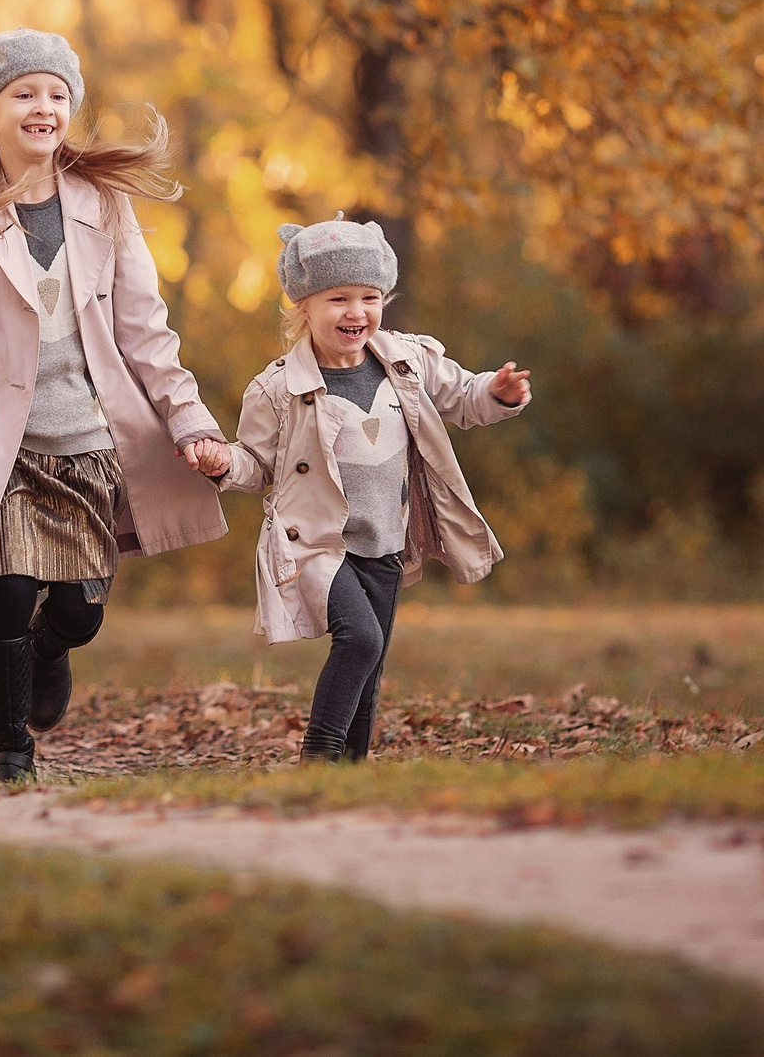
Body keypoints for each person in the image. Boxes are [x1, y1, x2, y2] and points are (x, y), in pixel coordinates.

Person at [0, 29, 233, 782]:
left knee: (79, 610)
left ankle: (50, 649)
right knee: (9, 589)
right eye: (25, 93)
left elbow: (146, 331)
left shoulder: (102, 207)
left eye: (56, 93)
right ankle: (10, 748)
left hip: (88, 441)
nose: (44, 107)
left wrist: (192, 422)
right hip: (3, 448)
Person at [214, 216, 532, 763]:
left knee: (372, 661)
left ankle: (349, 773)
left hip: (386, 540)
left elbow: (463, 399)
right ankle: (319, 754)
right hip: (316, 542)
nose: (356, 312)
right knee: (360, 641)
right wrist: (221, 463)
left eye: (369, 297)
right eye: (338, 299)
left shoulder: (406, 362)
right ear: (303, 306)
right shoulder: (276, 389)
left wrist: (498, 393)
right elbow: (255, 465)